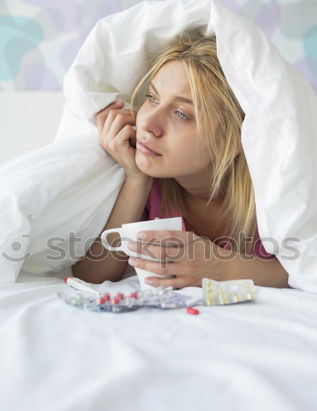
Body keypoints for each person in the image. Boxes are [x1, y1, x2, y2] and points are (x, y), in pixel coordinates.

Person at [72, 31, 289, 288]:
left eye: (181, 114)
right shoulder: (154, 187)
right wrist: (136, 178)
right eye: (152, 98)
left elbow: (305, 269)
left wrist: (220, 268)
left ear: (234, 140)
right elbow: (91, 276)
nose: (148, 123)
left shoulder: (274, 193)